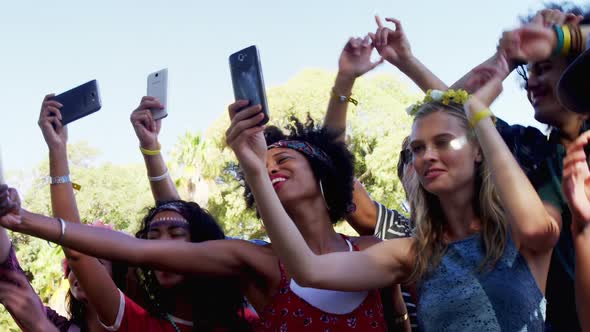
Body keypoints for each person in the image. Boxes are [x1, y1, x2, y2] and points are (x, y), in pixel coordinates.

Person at [228, 67, 558, 330]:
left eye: (443, 142)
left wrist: (478, 116)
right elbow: (309, 270)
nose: (427, 156)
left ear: (477, 152)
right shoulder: (413, 254)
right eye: (417, 148)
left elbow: (535, 230)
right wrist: (256, 170)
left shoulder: (521, 227)